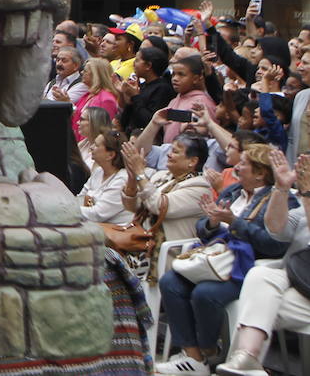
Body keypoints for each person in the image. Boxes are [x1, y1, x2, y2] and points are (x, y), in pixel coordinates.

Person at [155, 143, 292, 375]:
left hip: (246, 269)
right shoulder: (232, 192)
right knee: (170, 282)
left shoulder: (278, 199)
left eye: (244, 163)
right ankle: (193, 356)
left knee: (205, 293)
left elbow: (274, 245)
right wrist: (212, 223)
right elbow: (202, 227)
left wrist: (234, 223)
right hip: (215, 261)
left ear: (260, 173)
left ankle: (208, 352)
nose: (236, 166)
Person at [217, 150, 310, 376]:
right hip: (299, 286)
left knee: (258, 304)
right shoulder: (303, 206)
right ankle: (247, 358)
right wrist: (281, 188)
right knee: (259, 278)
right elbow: (277, 229)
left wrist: (307, 193)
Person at [120, 45, 176, 135]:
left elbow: (149, 121)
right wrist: (129, 100)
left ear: (148, 66)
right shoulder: (142, 86)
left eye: (137, 60)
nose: (133, 64)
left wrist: (135, 96)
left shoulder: (162, 89)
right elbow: (125, 122)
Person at [77, 128, 129, 224]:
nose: (91, 147)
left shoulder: (122, 179)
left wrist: (68, 210)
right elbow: (80, 198)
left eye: (96, 145)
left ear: (110, 155)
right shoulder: (99, 172)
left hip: (115, 233)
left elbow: (98, 214)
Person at [72, 57, 122, 140]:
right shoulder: (88, 95)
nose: (81, 72)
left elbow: (102, 131)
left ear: (95, 74)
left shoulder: (106, 100)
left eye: (85, 71)